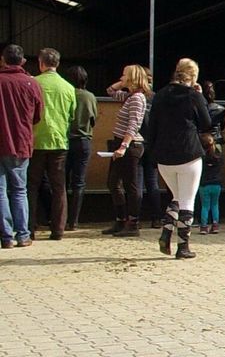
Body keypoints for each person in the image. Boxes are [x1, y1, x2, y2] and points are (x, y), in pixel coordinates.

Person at [143, 58, 212, 259]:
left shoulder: (160, 95)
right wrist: (200, 97)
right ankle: (183, 246)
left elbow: (151, 125)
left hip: (164, 156)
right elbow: (206, 123)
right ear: (193, 76)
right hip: (188, 152)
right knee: (187, 200)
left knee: (177, 196)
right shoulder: (193, 95)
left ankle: (166, 233)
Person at [28, 48, 75, 241]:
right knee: (59, 187)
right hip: (59, 141)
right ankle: (58, 229)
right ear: (58, 63)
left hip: (36, 140)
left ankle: (29, 227)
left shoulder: (34, 83)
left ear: (41, 63)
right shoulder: (68, 88)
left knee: (31, 186)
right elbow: (72, 115)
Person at [0, 44, 44, 249]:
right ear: (23, 61)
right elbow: (37, 116)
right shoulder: (31, 83)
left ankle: (6, 237)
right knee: (19, 190)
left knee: (0, 191)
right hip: (20, 142)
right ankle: (23, 235)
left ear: (3, 60)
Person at [102, 64, 151, 237]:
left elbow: (134, 124)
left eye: (125, 75)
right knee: (113, 182)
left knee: (130, 185)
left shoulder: (137, 98)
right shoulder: (130, 96)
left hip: (131, 146)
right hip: (121, 143)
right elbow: (110, 91)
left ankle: (133, 222)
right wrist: (121, 83)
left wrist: (124, 145)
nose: (121, 77)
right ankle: (120, 219)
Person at [63, 65, 98, 230]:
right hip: (83, 141)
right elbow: (93, 119)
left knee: (61, 181)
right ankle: (74, 221)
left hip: (65, 140)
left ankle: (59, 218)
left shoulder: (65, 93)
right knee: (79, 182)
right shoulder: (89, 96)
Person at [197, 132, 223, 235]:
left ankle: (204, 226)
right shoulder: (218, 156)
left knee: (205, 206)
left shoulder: (201, 157)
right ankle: (215, 225)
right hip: (217, 184)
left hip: (204, 184)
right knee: (215, 205)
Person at [201, 80, 225, 146]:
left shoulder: (197, 108)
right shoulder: (221, 109)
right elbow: (223, 126)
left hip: (201, 140)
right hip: (216, 139)